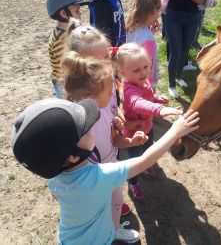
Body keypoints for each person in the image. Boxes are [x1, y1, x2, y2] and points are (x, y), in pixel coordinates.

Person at [11, 97, 199, 245]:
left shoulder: (54, 175)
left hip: (68, 239)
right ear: (74, 156)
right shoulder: (99, 177)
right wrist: (175, 131)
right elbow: (144, 161)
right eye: (85, 131)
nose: (91, 128)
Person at [61, 50, 150, 243]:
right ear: (89, 96)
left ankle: (115, 229)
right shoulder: (76, 126)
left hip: (110, 164)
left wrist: (130, 141)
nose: (113, 96)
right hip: (93, 177)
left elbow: (114, 140)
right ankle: (104, 235)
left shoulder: (106, 111)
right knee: (99, 211)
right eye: (109, 91)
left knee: (117, 200)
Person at [114, 43, 183, 202]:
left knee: (148, 149)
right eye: (136, 70)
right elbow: (138, 103)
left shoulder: (143, 82)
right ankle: (133, 182)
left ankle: (145, 166)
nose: (143, 72)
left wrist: (157, 99)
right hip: (134, 135)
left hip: (148, 127)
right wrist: (158, 109)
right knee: (134, 160)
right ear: (123, 73)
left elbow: (148, 96)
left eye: (146, 67)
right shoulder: (130, 90)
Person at [46, 0, 89, 98]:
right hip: (65, 83)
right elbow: (68, 67)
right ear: (64, 13)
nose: (80, 13)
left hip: (70, 79)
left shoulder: (70, 32)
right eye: (77, 11)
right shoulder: (60, 39)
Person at [164, 0, 207, 98]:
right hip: (173, 14)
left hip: (192, 16)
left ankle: (178, 77)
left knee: (185, 50)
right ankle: (172, 86)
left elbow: (200, 0)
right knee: (176, 52)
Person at [126, 0, 162, 87]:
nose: (158, 15)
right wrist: (148, 87)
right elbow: (146, 66)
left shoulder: (132, 27)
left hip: (133, 77)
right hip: (145, 82)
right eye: (159, 11)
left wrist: (150, 32)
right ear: (154, 10)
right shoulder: (147, 37)